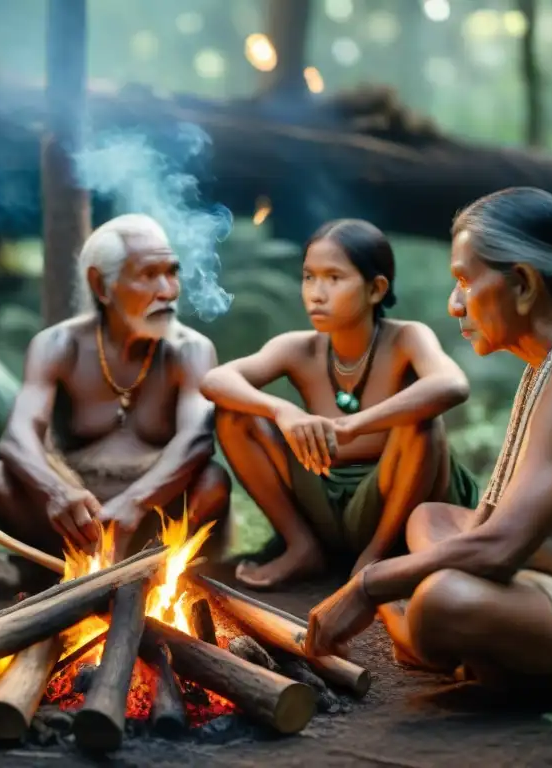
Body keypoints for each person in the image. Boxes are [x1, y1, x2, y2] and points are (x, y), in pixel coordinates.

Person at [305, 187, 552, 693]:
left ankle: (442, 643)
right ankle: (484, 654)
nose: (455, 305)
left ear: (521, 284)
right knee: (429, 517)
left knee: (440, 602)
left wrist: (369, 587)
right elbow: (497, 522)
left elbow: (499, 548)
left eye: (463, 282)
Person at [202, 219, 479, 589]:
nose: (316, 293)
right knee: (235, 415)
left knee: (422, 423)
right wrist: (283, 410)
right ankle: (302, 547)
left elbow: (452, 384)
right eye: (308, 277)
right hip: (325, 505)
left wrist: (354, 425)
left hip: (394, 507)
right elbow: (215, 380)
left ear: (376, 289)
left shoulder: (407, 339)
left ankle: (374, 560)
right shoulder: (299, 348)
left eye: (334, 278)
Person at [0, 213, 231, 564]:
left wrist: (135, 502)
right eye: (148, 275)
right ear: (100, 285)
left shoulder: (190, 349)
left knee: (212, 483)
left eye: (172, 272)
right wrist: (58, 492)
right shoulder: (58, 344)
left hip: (154, 516)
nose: (168, 291)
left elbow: (197, 440)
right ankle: (69, 569)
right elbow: (18, 435)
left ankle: (156, 571)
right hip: (76, 518)